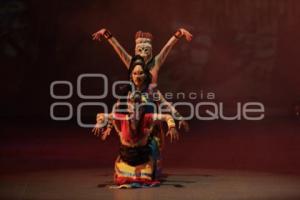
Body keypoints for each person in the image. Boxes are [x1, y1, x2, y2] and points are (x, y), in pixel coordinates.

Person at [92, 56, 179, 188]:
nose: (138, 76)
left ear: (145, 74)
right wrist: (107, 124)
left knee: (154, 149)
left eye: (141, 73)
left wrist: (175, 121)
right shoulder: (125, 94)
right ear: (131, 75)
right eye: (135, 73)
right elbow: (113, 112)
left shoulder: (151, 90)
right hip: (130, 132)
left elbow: (165, 106)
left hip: (150, 124)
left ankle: (153, 167)